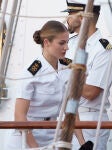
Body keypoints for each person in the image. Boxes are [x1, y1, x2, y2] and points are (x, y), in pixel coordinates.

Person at [4, 20, 72, 149]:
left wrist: (82, 142)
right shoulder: (32, 72)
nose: (67, 47)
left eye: (67, 42)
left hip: (53, 133)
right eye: (62, 43)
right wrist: (35, 148)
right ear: (46, 42)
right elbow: (19, 115)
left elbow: (72, 111)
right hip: (26, 137)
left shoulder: (67, 68)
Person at [62, 0, 112, 149]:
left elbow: (91, 91)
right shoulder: (70, 44)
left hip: (88, 122)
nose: (67, 19)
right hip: (64, 116)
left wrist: (64, 76)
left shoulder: (103, 50)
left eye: (70, 14)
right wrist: (77, 77)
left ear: (81, 17)